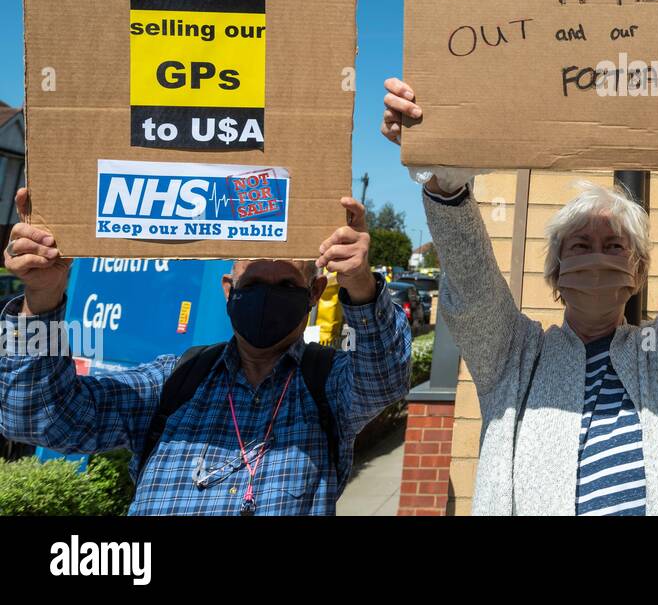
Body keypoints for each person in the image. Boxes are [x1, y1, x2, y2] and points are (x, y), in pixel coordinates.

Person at [381, 76, 658, 515]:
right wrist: (445, 175)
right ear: (556, 271)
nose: (596, 258)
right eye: (579, 247)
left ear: (637, 271)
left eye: (614, 247)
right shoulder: (516, 354)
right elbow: (473, 287)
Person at [0, 190, 412, 515]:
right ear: (228, 290)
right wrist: (41, 300)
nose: (268, 298)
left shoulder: (328, 387)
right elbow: (37, 419)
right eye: (252, 285)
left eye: (286, 285)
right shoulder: (173, 380)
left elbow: (385, 376)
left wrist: (359, 283)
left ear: (314, 293)